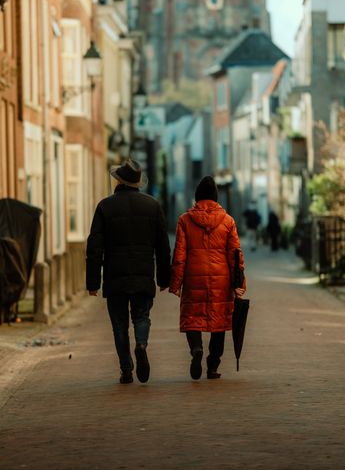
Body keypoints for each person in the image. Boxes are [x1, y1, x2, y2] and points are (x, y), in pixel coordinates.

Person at [86, 158, 171, 385]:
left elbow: (94, 247)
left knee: (119, 324)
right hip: (143, 274)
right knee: (142, 316)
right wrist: (165, 278)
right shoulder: (152, 206)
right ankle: (141, 344)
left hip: (115, 277)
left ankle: (126, 369)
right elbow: (163, 246)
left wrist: (92, 282)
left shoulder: (105, 206)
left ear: (118, 182)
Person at [169, 176, 246, 380]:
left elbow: (179, 255)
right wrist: (240, 284)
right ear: (215, 197)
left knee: (192, 317)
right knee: (218, 322)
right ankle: (213, 366)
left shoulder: (185, 220)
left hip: (193, 278)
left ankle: (196, 349)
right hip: (222, 280)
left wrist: (175, 283)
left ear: (197, 197)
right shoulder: (228, 221)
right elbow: (236, 254)